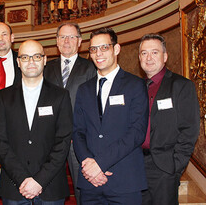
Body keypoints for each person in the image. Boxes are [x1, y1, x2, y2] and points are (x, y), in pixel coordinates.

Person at [73, 27, 148, 204]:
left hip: (124, 182)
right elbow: (78, 132)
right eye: (93, 49)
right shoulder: (84, 90)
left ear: (116, 49)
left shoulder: (135, 85)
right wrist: (88, 165)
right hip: (90, 182)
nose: (98, 53)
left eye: (104, 47)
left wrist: (99, 164)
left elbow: (136, 132)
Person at [0, 40, 73, 204]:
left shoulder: (60, 96)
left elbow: (63, 142)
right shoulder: (4, 97)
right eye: (25, 57)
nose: (31, 62)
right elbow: (0, 141)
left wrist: (39, 180)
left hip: (51, 188)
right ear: (18, 62)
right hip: (14, 187)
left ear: (44, 60)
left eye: (36, 56)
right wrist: (22, 179)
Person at [139, 34, 200, 205]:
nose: (148, 58)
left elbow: (190, 129)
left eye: (154, 52)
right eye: (144, 53)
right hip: (136, 166)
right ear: (139, 58)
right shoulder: (135, 88)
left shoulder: (181, 86)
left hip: (164, 168)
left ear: (165, 56)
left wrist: (175, 166)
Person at [44, 23, 96, 205]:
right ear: (57, 41)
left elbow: (93, 107)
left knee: (83, 189)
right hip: (50, 141)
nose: (67, 41)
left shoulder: (90, 68)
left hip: (79, 141)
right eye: (63, 37)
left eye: (71, 37)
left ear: (80, 41)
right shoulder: (45, 69)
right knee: (49, 190)